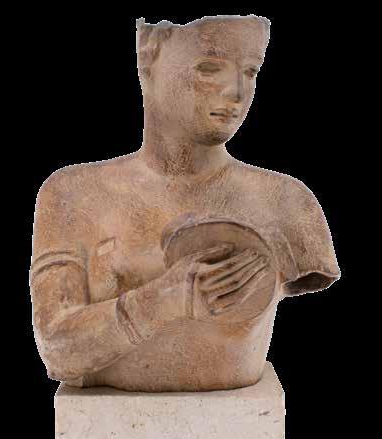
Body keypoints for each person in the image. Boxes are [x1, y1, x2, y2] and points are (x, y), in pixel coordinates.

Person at [30, 16, 340, 391]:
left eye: (250, 70)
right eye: (209, 67)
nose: (237, 92)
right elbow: (58, 350)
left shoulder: (286, 202)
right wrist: (164, 300)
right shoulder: (74, 194)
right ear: (147, 58)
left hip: (234, 421)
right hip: (111, 422)